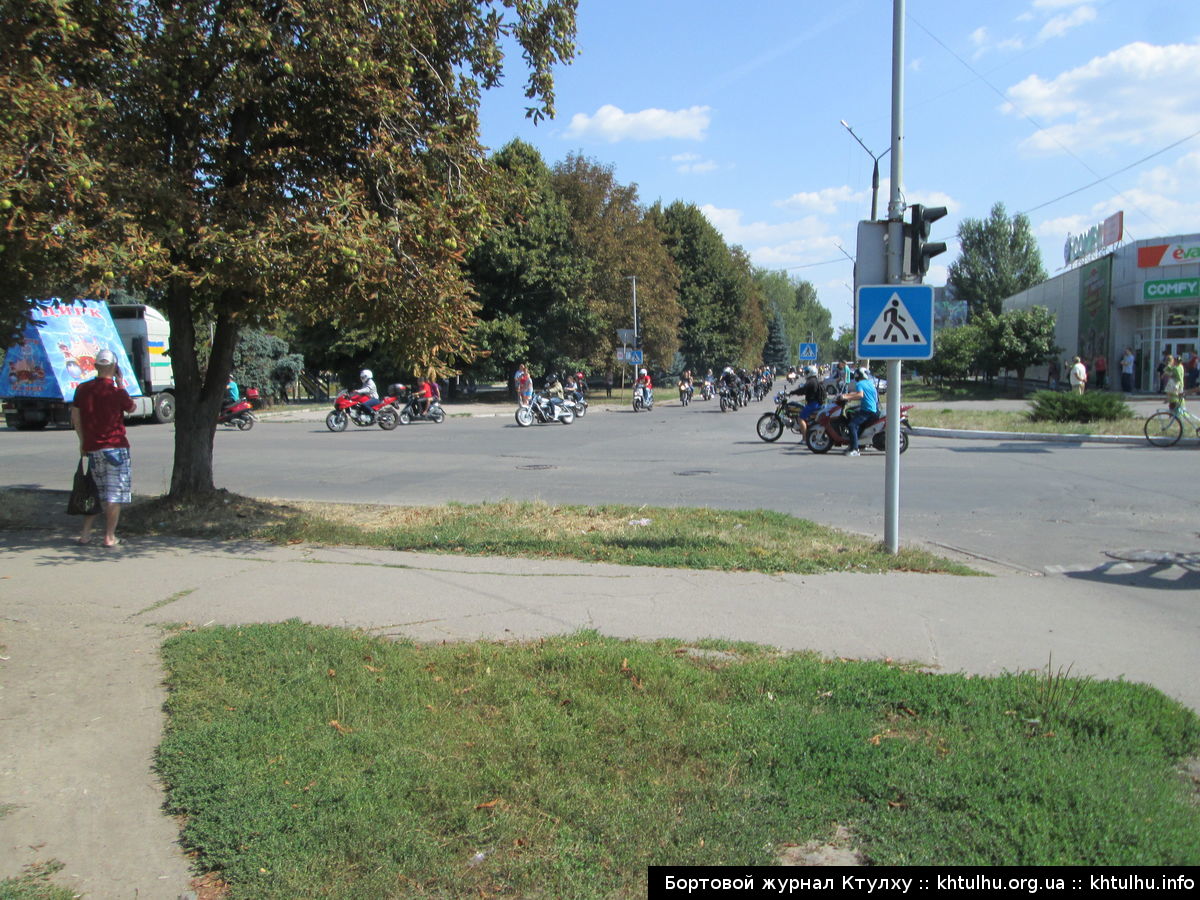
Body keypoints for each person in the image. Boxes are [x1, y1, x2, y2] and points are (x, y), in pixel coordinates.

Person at [70, 349, 136, 547]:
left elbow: (76, 418)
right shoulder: (117, 392)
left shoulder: (82, 389)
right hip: (115, 448)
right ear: (115, 367)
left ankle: (85, 534)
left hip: (92, 448)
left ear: (96, 366)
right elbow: (131, 407)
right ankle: (109, 536)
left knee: (94, 492)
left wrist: (83, 442)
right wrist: (120, 383)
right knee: (114, 495)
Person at [839, 367, 879, 457]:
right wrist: (846, 395)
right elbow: (858, 393)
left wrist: (846, 397)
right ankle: (855, 444)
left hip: (867, 411)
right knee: (853, 416)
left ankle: (855, 449)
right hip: (873, 410)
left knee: (852, 425)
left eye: (856, 375)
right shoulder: (869, 383)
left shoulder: (860, 383)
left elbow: (860, 395)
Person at [788, 366, 824, 440]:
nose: (805, 373)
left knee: (800, 418)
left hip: (813, 404)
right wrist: (797, 392)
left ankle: (804, 439)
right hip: (815, 403)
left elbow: (803, 389)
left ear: (811, 373)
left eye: (806, 372)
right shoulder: (814, 380)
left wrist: (792, 392)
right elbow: (805, 391)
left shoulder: (811, 381)